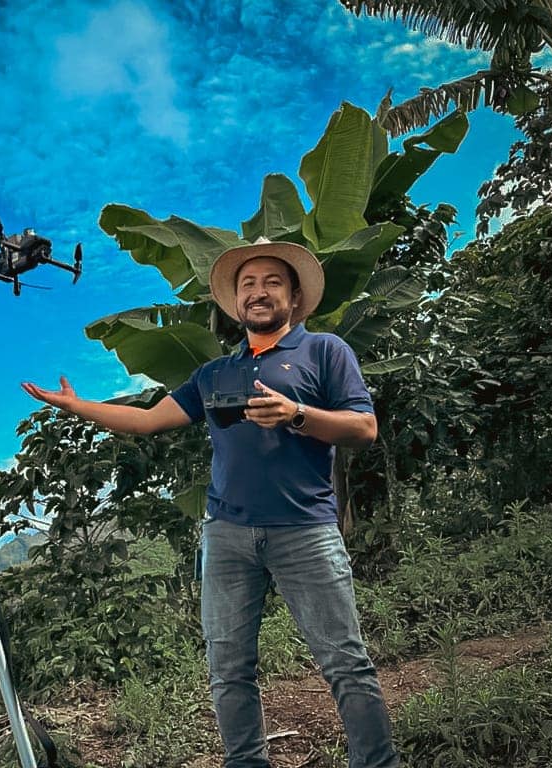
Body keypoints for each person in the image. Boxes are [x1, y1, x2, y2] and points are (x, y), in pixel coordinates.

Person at [22, 238, 399, 768]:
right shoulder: (214, 373)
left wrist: (296, 414)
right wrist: (79, 406)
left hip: (305, 531)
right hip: (225, 535)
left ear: (293, 296)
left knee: (344, 662)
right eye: (248, 284)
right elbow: (148, 420)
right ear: (236, 302)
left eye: (272, 282)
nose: (259, 292)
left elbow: (364, 427)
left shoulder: (325, 351)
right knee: (228, 667)